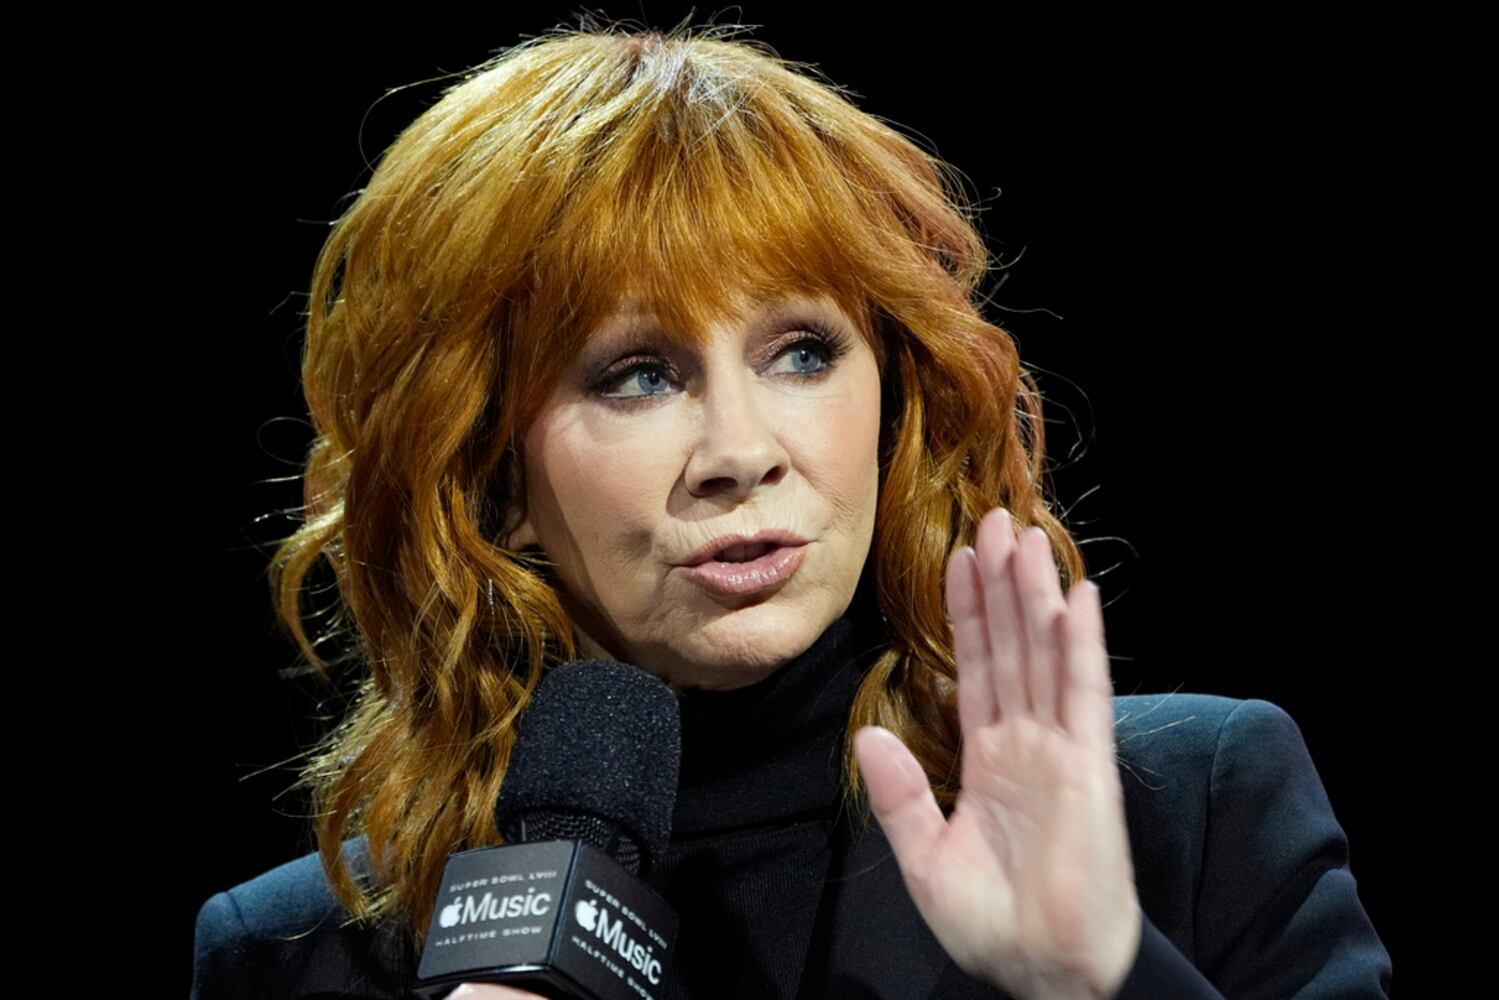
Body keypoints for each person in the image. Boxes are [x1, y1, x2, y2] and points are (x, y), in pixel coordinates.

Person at [191, 20, 1392, 1000]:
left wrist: (1103, 977)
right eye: (637, 374)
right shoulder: (298, 953)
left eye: (802, 352)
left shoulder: (1185, 809)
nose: (739, 453)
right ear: (493, 479)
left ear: (891, 400)